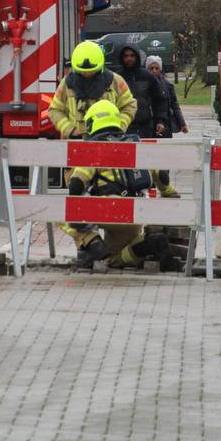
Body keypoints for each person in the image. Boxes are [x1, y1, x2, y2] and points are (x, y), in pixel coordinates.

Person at [48, 41, 137, 263]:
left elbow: (130, 105)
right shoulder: (67, 84)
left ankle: (98, 250)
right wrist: (69, 131)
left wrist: (119, 128)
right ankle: (88, 241)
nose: (87, 77)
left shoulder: (114, 82)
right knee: (73, 204)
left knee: (109, 200)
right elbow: (54, 110)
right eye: (83, 73)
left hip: (110, 154)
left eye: (91, 73)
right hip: (77, 154)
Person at [63, 99, 177, 270]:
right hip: (134, 215)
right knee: (117, 257)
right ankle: (148, 243)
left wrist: (85, 230)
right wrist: (170, 193)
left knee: (57, 211)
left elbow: (76, 184)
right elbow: (161, 176)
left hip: (108, 211)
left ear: (92, 123)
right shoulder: (134, 145)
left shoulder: (95, 149)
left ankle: (92, 241)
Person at [146, 54, 187, 198]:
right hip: (150, 125)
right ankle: (151, 183)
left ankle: (165, 182)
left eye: (157, 68)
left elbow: (175, 105)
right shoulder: (145, 85)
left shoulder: (168, 85)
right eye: (151, 68)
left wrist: (182, 123)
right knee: (150, 155)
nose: (154, 71)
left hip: (166, 125)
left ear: (161, 69)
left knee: (165, 155)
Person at [117, 45, 166, 140]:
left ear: (137, 57)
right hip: (122, 127)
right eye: (126, 56)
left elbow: (159, 100)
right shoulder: (116, 78)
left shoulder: (148, 77)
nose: (129, 58)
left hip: (145, 127)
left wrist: (160, 121)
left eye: (132, 56)